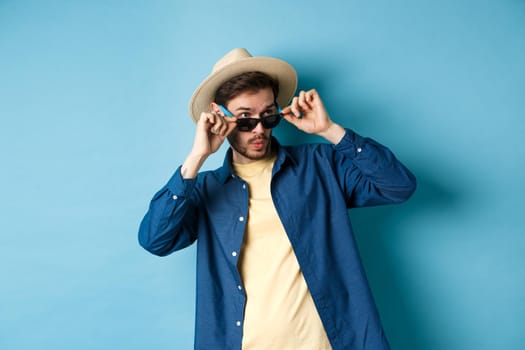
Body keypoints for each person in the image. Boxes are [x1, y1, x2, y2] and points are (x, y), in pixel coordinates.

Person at [138, 48, 416, 350]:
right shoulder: (204, 189)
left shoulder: (321, 165)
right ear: (220, 115)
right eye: (245, 119)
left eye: (268, 116)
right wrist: (197, 157)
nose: (259, 130)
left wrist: (331, 131)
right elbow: (155, 240)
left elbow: (398, 186)